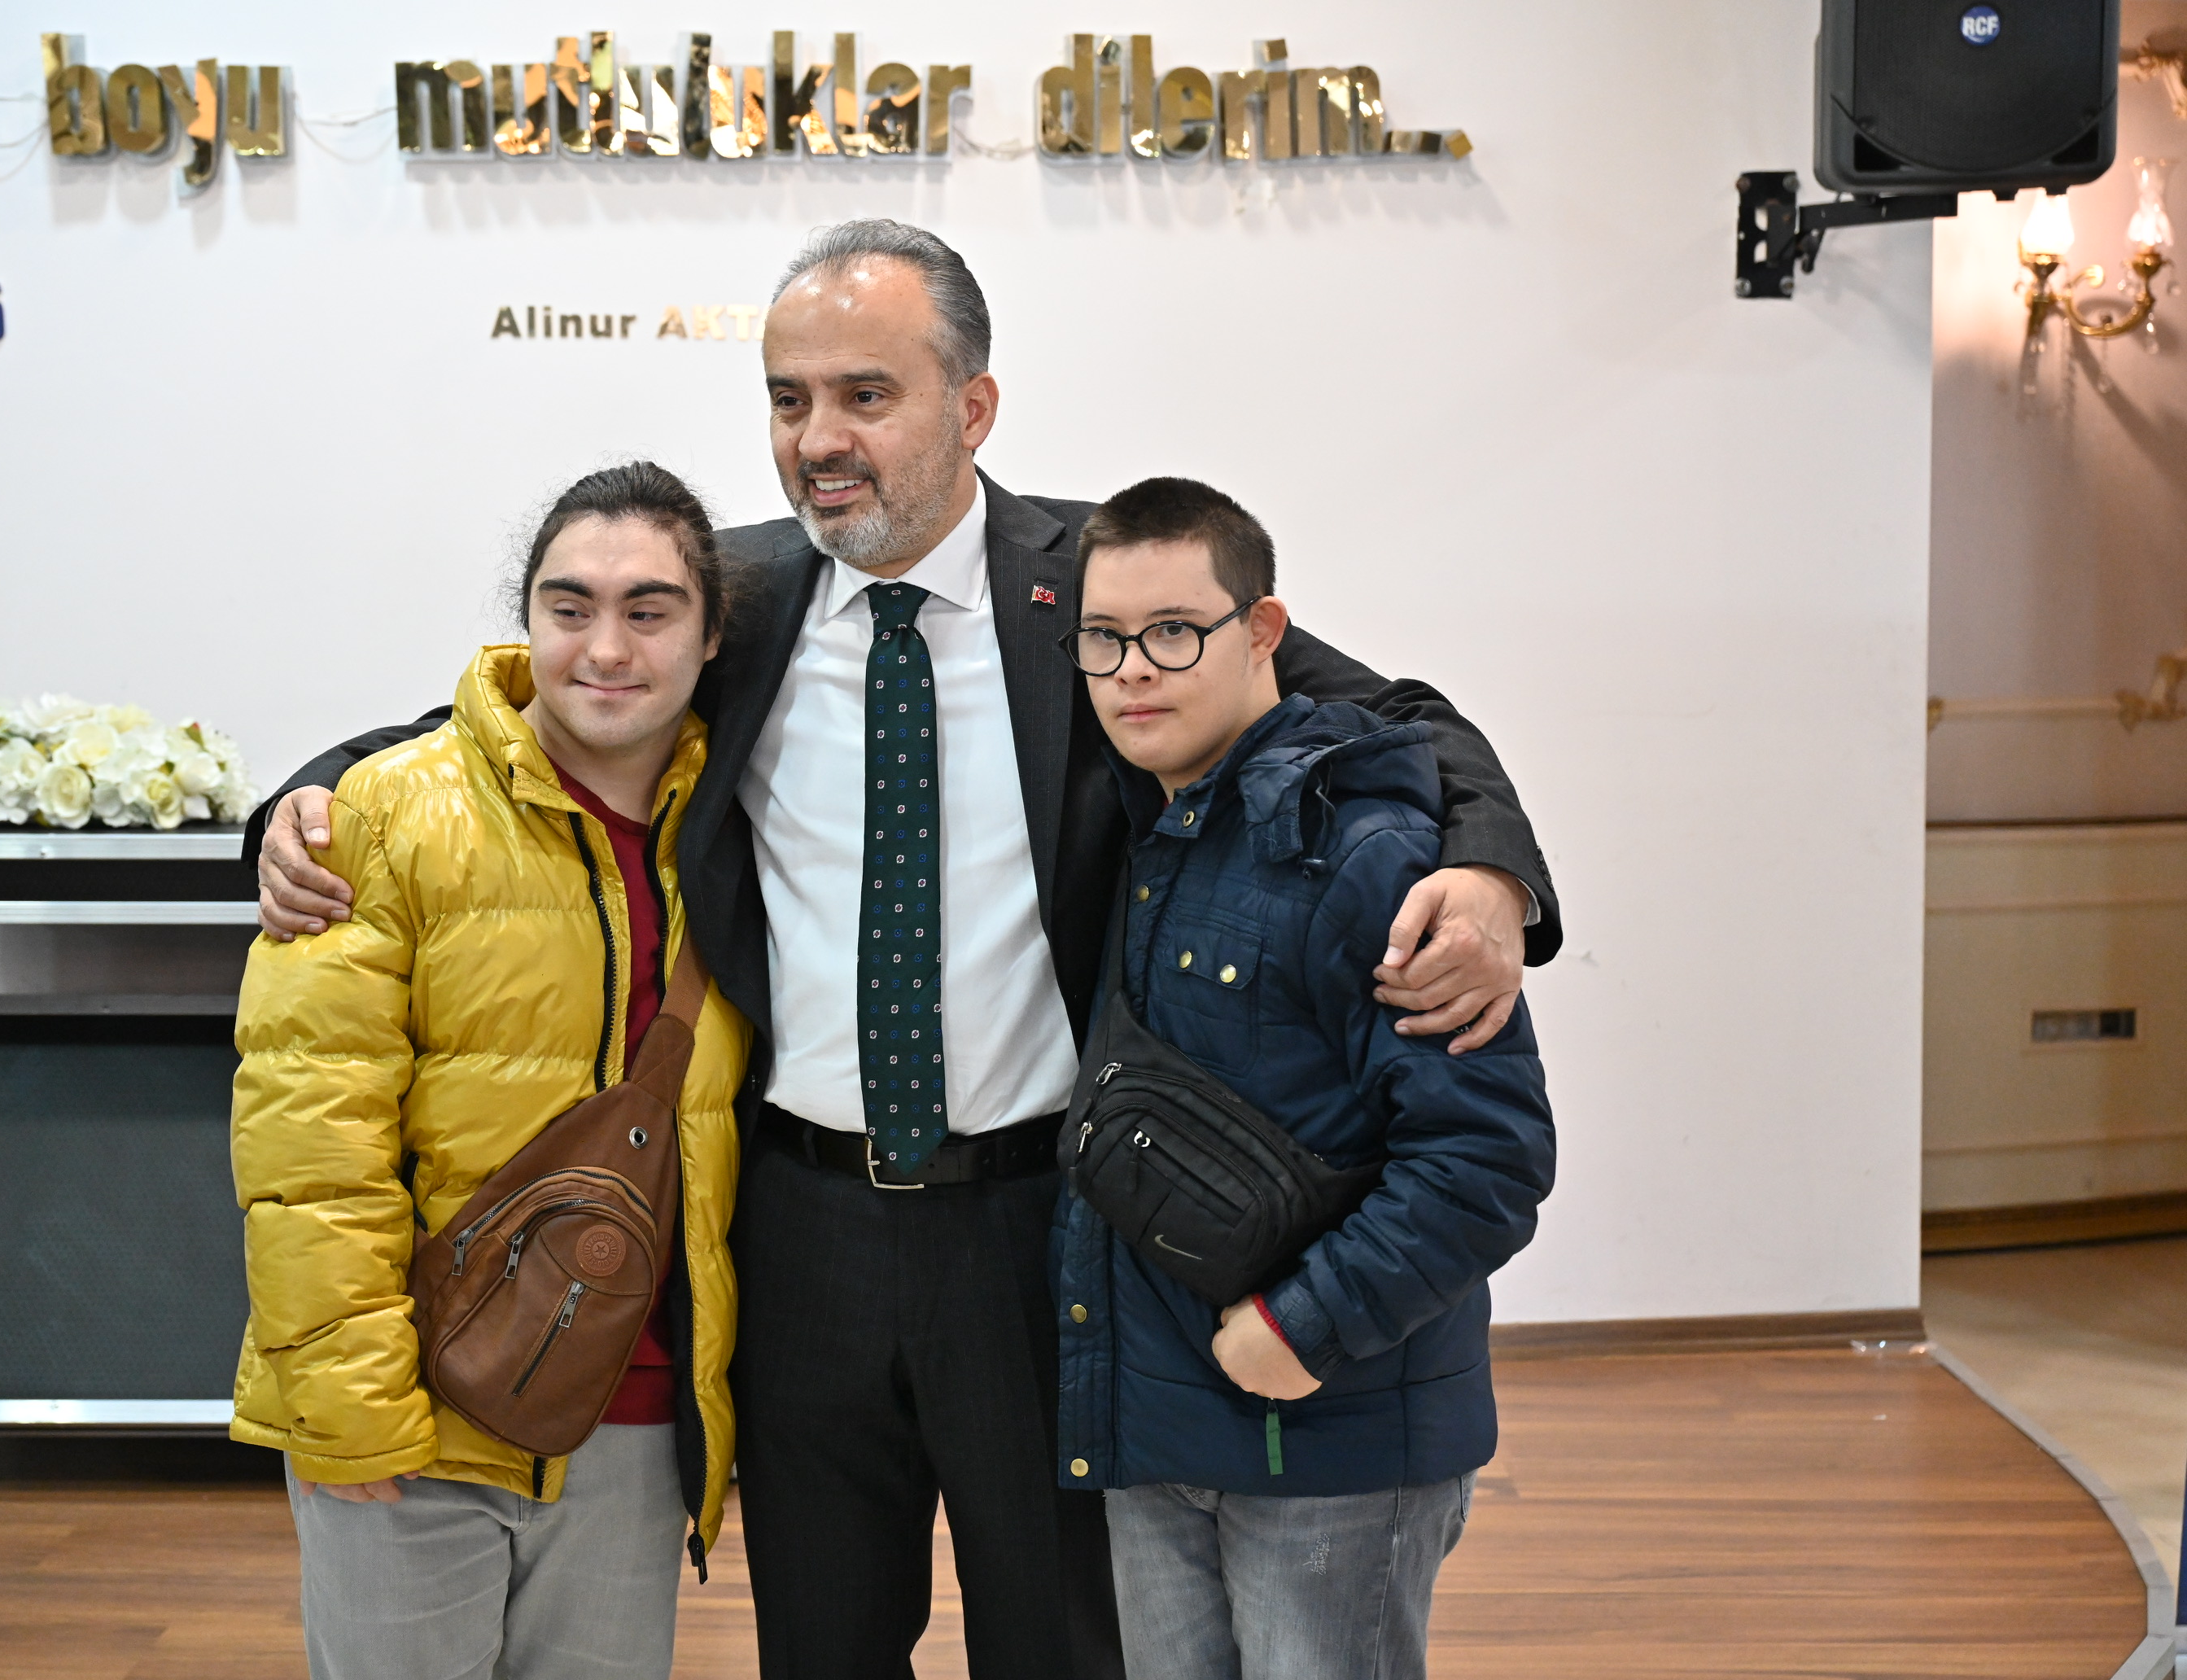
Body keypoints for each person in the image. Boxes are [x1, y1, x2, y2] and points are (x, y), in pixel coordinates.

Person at [243, 221, 1562, 1680]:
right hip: (796, 1230)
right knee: (822, 1644)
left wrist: (1491, 874)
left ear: (973, 405)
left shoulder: (1103, 589)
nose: (819, 438)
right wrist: (304, 798)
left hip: (1046, 1231)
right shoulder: (735, 600)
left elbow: (1401, 719)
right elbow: (510, 714)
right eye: (789, 398)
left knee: (1060, 1644)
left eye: (865, 395)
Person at [229, 463, 751, 1680]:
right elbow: (309, 1142)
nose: (605, 648)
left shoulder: (739, 825)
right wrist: (351, 1406)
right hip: (417, 1417)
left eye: (649, 611)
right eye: (570, 608)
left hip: (633, 1421)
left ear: (713, 635)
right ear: (526, 621)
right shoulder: (380, 817)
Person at [1053, 476, 1555, 1680]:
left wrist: (1303, 1328)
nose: (1134, 670)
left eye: (1175, 632)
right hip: (1154, 1431)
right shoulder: (1150, 826)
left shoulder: (1367, 854)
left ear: (1263, 632)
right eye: (1103, 639)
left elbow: (1487, 1160)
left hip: (1328, 1440)